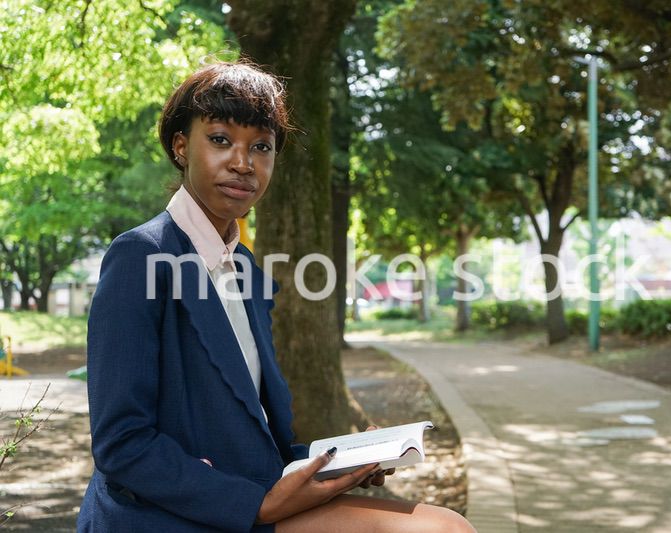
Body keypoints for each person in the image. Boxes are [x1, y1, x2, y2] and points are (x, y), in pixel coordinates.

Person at [76, 61, 475, 533]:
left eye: (261, 147)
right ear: (181, 147)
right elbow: (122, 443)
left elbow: (254, 433)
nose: (243, 163)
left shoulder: (244, 267)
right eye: (220, 140)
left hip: (254, 494)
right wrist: (259, 506)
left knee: (446, 524)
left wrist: (338, 463)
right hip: (167, 515)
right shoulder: (141, 255)